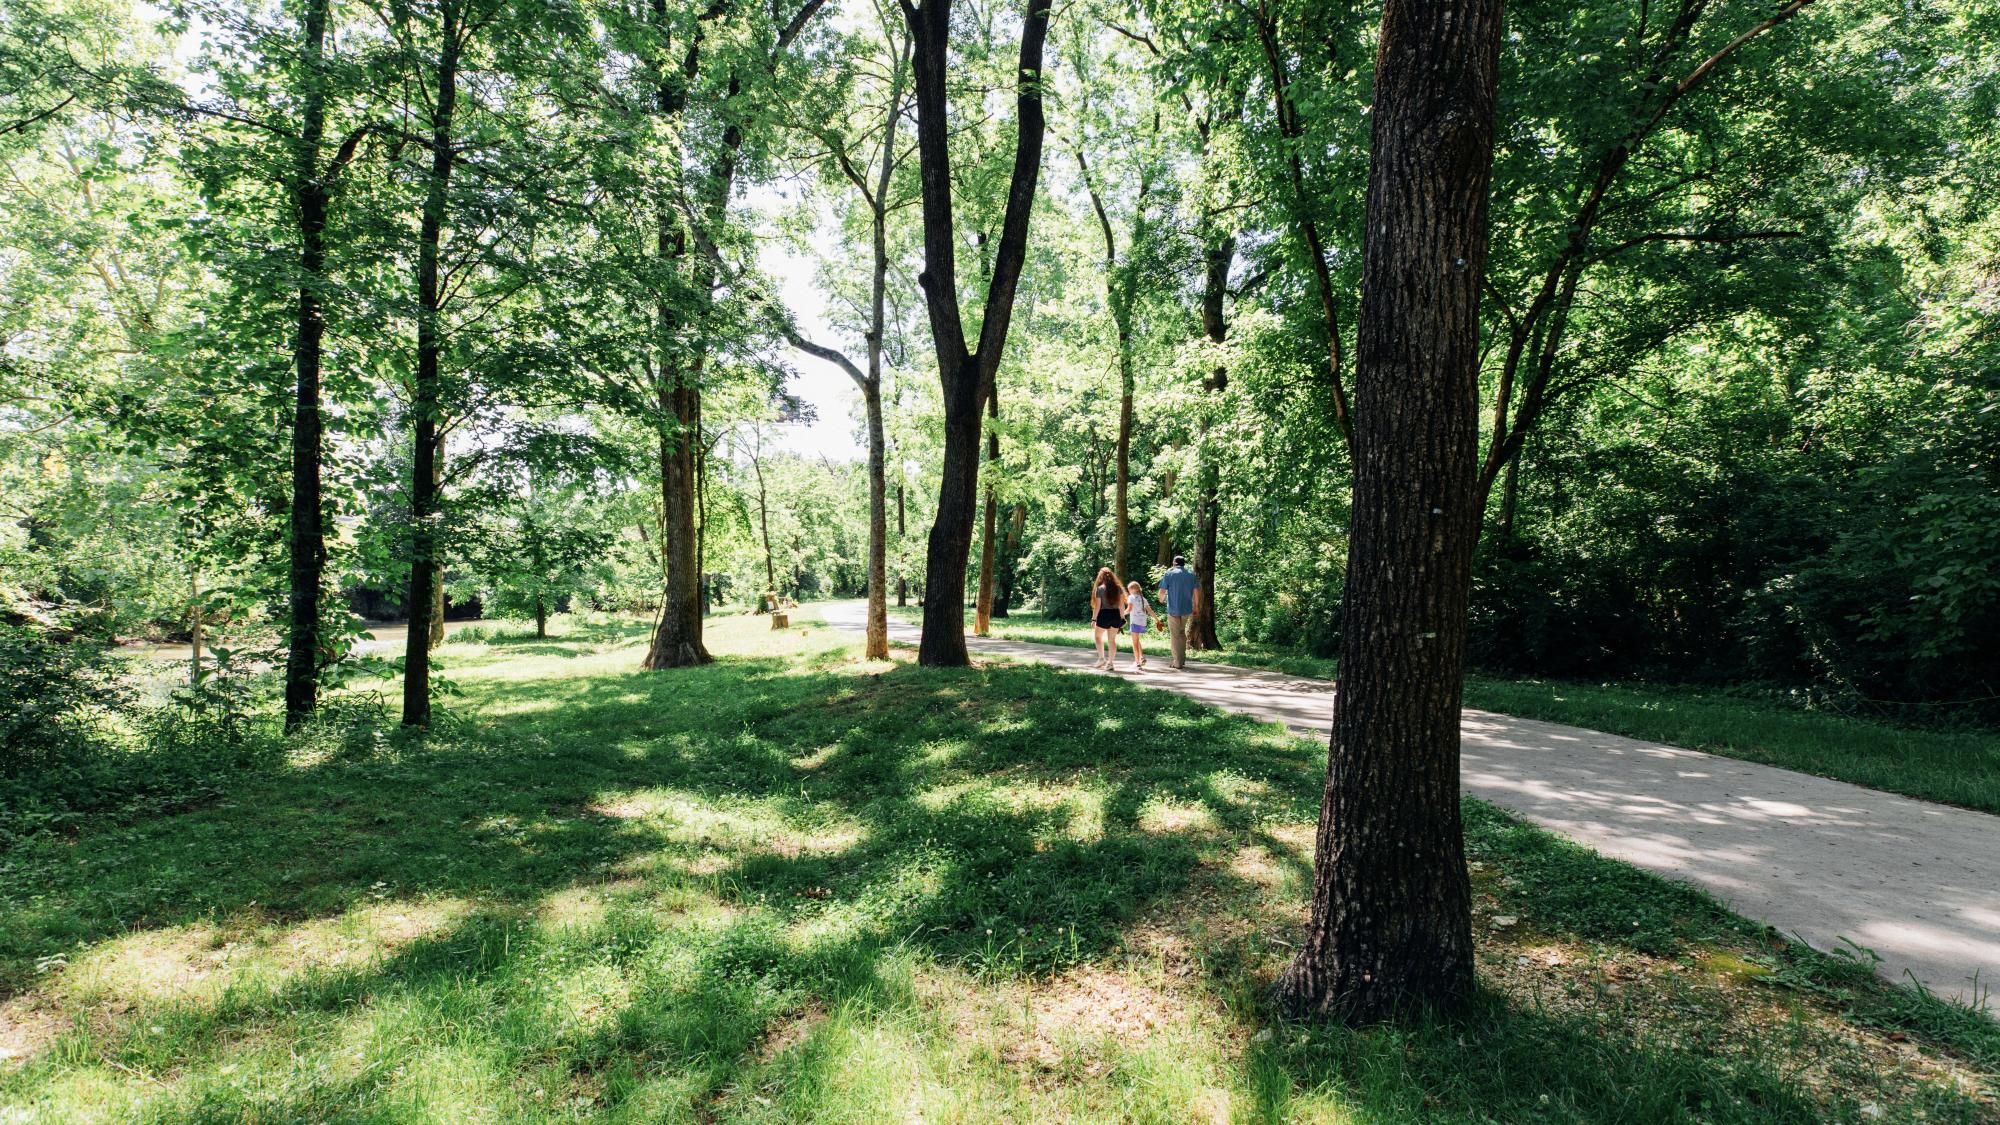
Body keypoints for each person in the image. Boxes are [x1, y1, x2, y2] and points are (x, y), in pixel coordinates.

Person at [1157, 555, 1201, 670]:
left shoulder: (1169, 574)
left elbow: (1162, 591)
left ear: (1174, 563)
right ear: (1183, 564)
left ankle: (1177, 662)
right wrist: (1196, 606)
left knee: (1175, 635)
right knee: (1181, 633)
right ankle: (1181, 659)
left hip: (1173, 609)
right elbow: (1196, 592)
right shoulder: (1191, 575)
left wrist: (1161, 599)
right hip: (1186, 609)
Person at [1090, 566, 1125, 670]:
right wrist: (1122, 618)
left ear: (1101, 576)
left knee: (1097, 637)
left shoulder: (1100, 589)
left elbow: (1097, 606)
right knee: (1112, 640)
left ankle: (1101, 658)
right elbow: (1121, 605)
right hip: (1116, 615)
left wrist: (1093, 619)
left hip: (1104, 615)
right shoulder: (1118, 588)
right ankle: (1110, 663)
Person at [1124, 580, 1154, 671]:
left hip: (1135, 622)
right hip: (1142, 623)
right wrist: (1157, 620)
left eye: (1129, 589)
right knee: (1137, 640)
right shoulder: (1143, 598)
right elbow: (1150, 610)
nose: (1129, 591)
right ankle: (1141, 657)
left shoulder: (1131, 597)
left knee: (1134, 643)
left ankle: (1137, 663)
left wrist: (1120, 614)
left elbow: (1129, 609)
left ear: (1133, 589)